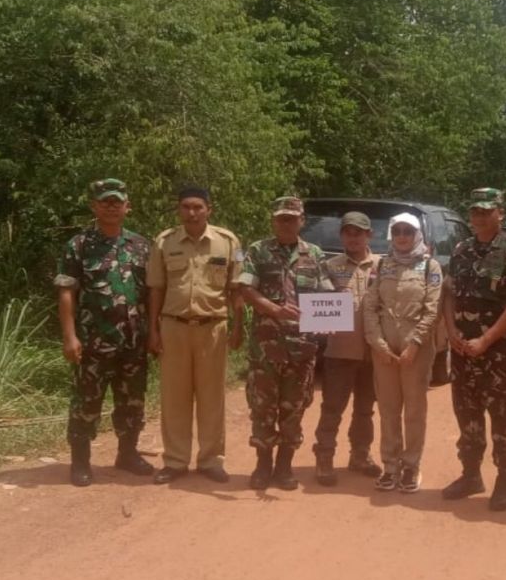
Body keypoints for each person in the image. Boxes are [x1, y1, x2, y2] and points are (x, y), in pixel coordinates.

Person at [54, 178, 154, 487]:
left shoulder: (142, 246)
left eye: (117, 201)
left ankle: (127, 453)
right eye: (105, 201)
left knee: (132, 402)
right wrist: (69, 337)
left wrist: (154, 332)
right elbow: (66, 293)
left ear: (127, 206)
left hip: (133, 342)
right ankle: (81, 462)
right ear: (94, 206)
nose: (111, 206)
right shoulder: (79, 245)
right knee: (86, 403)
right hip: (93, 342)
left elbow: (151, 293)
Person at [441, 187, 506, 511]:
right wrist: (451, 331)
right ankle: (471, 475)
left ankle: (505, 479)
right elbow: (449, 293)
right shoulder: (461, 250)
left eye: (486, 211)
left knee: (502, 415)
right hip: (464, 351)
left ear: (500, 213)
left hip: (497, 352)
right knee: (466, 413)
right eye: (475, 211)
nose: (479, 217)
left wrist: (486, 339)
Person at [146, 186, 245, 485]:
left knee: (211, 398)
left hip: (213, 327)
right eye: (186, 207)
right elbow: (156, 288)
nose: (192, 213)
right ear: (179, 209)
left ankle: (211, 460)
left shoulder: (227, 242)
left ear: (208, 209)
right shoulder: (164, 241)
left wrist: (239, 326)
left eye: (197, 207)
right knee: (174, 398)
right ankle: (175, 461)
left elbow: (236, 289)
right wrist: (152, 330)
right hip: (173, 326)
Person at [237, 195, 334, 490]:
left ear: (302, 221)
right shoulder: (257, 250)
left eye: (292, 218)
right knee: (263, 407)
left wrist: (332, 319)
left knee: (294, 408)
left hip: (302, 348)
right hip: (266, 346)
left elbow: (326, 295)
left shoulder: (315, 254)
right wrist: (273, 309)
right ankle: (263, 465)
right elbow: (245, 288)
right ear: (273, 220)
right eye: (281, 218)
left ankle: (284, 467)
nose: (286, 223)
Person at [363, 213, 443, 492]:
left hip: (415, 349)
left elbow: (432, 309)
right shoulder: (382, 265)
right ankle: (390, 465)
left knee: (414, 409)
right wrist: (378, 344)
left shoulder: (429, 266)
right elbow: (370, 306)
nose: (402, 237)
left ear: (417, 234)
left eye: (408, 231)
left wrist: (415, 344)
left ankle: (411, 465)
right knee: (388, 409)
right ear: (390, 235)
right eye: (397, 231)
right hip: (384, 347)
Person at [313, 211, 381, 486]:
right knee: (332, 407)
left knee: (366, 409)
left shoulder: (383, 265)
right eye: (348, 232)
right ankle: (325, 457)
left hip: (374, 351)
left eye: (359, 232)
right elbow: (316, 301)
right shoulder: (329, 266)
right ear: (341, 235)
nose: (353, 238)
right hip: (340, 350)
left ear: (369, 235)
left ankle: (360, 455)